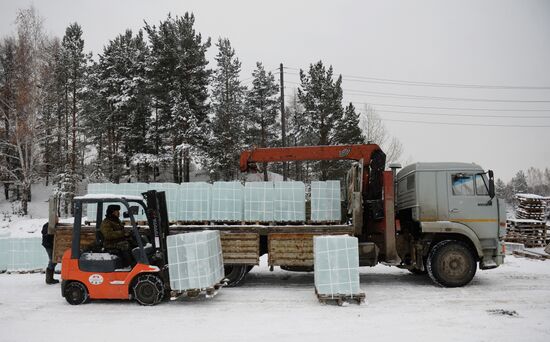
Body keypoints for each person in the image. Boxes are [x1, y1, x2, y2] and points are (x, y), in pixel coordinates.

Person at [41, 217, 59, 285]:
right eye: (57, 219)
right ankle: (49, 279)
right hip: (48, 246)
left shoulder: (52, 225)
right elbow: (46, 233)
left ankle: (50, 278)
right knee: (52, 260)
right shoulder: (47, 226)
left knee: (53, 261)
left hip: (51, 245)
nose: (58, 220)